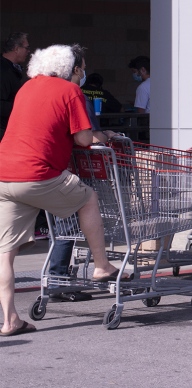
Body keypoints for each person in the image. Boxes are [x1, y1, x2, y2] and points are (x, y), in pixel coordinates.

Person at [0, 44, 124, 336]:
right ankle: (102, 265)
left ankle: (9, 320)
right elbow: (82, 139)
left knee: (5, 254)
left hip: (5, 174)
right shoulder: (69, 91)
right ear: (70, 69)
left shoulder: (26, 88)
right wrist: (104, 134)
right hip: (39, 173)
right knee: (88, 198)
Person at [0, 32, 30, 142]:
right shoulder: (3, 70)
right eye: (26, 48)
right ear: (16, 49)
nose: (28, 51)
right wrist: (22, 107)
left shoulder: (11, 68)